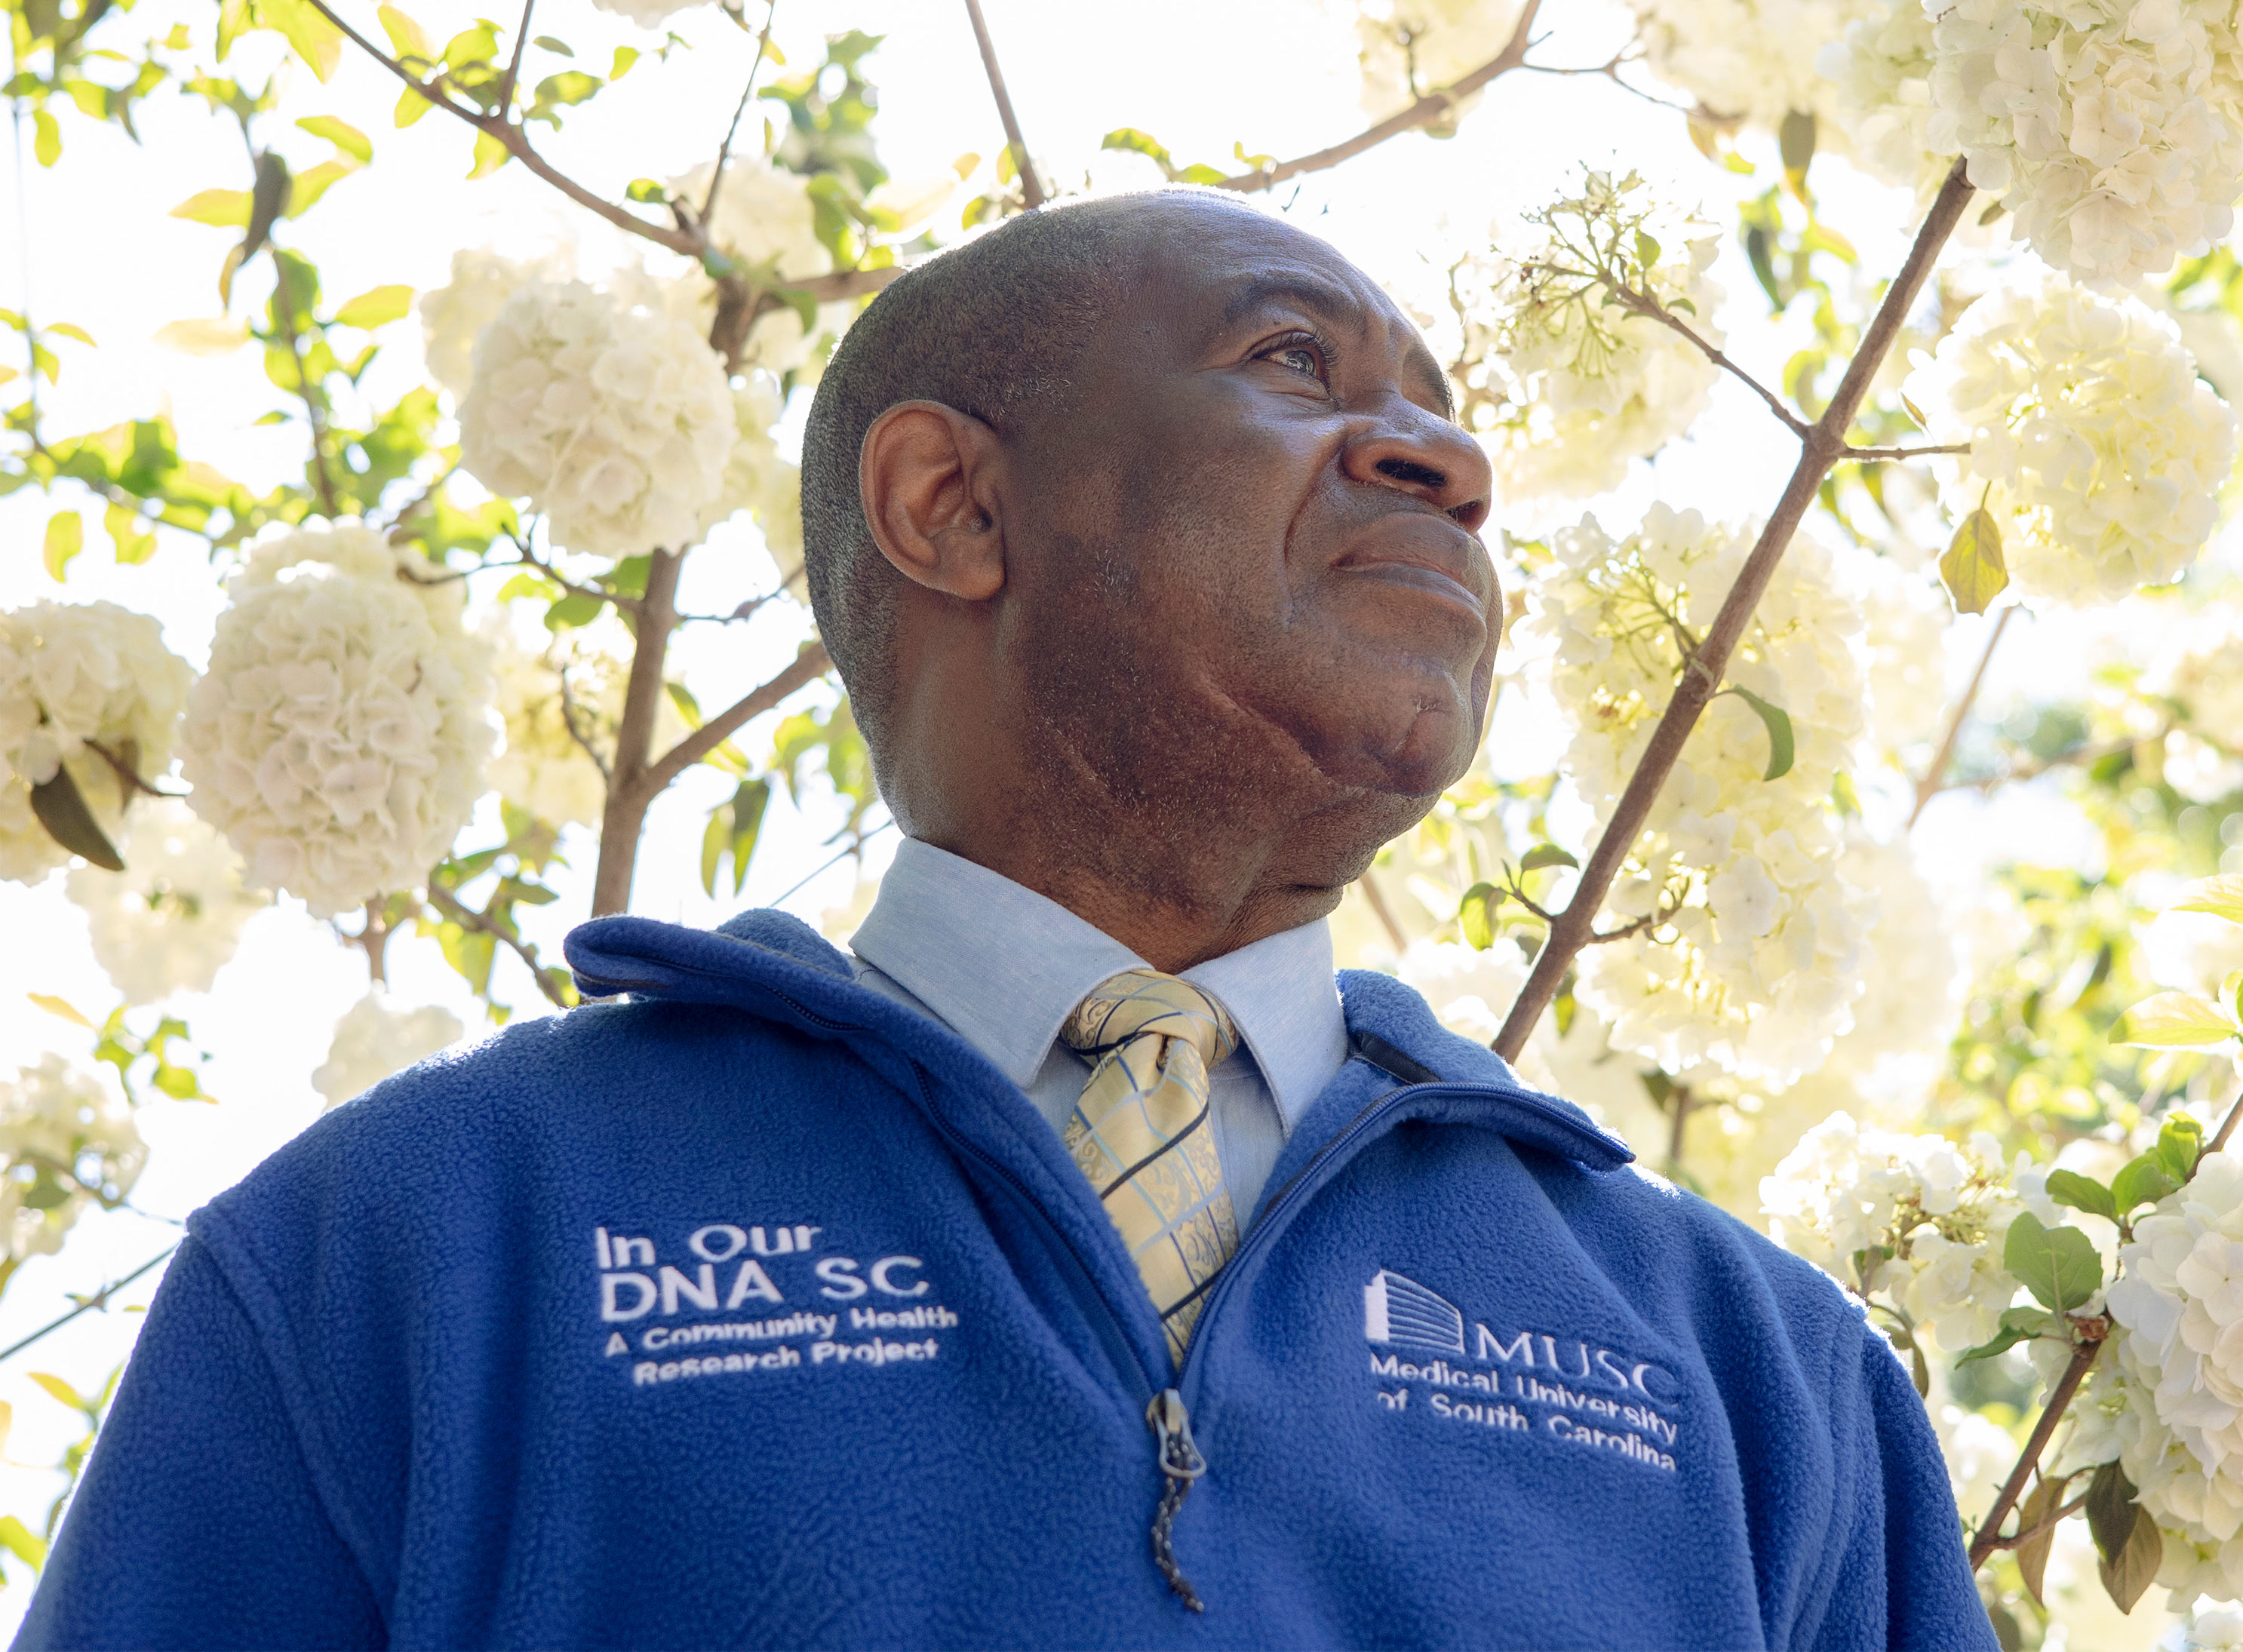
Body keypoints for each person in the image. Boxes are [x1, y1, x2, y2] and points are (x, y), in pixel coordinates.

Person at [17, 191, 1995, 1652]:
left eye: (1449, 424)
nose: (1449, 466)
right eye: (1292, 364)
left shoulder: (1750, 1369)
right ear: (952, 505)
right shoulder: (415, 1253)